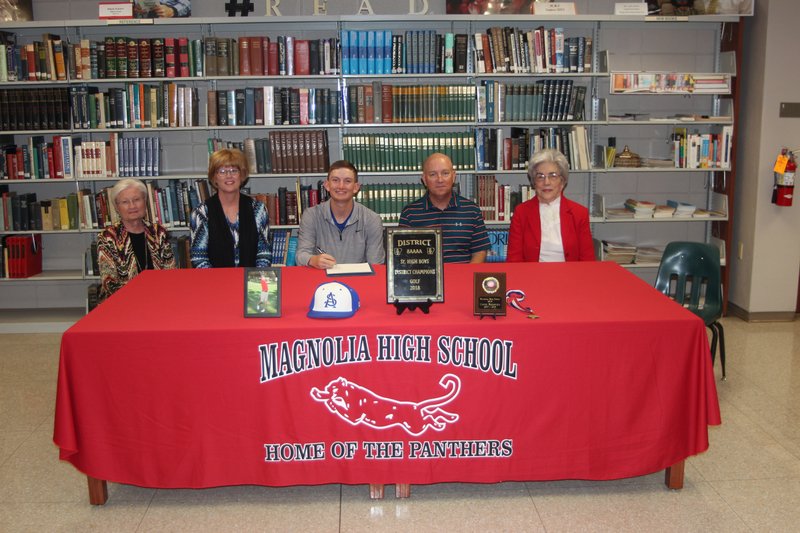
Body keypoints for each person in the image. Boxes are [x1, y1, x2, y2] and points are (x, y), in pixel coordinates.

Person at [507, 148, 595, 262]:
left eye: (553, 175)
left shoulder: (579, 213)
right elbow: (514, 259)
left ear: (562, 182)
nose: (546, 182)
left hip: (570, 277)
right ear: (534, 182)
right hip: (532, 277)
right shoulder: (521, 212)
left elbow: (587, 260)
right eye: (540, 176)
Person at [399, 153, 489, 263]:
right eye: (433, 174)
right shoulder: (410, 213)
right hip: (426, 278)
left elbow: (480, 252)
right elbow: (404, 256)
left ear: (453, 176)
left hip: (463, 277)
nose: (440, 179)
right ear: (424, 179)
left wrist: (467, 277)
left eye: (445, 173)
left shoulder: (472, 210)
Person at [295, 160, 385, 269]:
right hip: (321, 281)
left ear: (356, 187)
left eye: (347, 181)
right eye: (335, 180)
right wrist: (312, 260)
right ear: (327, 185)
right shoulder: (311, 215)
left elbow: (376, 265)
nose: (341, 186)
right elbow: (301, 255)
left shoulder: (372, 219)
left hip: (359, 281)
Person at [190, 149, 272, 268]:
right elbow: (199, 259)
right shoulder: (201, 213)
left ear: (242, 175)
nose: (229, 176)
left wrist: (254, 281)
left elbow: (264, 254)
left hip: (250, 282)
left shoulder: (258, 210)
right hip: (215, 283)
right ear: (214, 177)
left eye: (234, 170)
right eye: (222, 171)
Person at [97, 178, 176, 300]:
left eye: (137, 200)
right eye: (125, 202)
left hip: (159, 299)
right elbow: (109, 282)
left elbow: (170, 272)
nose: (132, 206)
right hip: (122, 304)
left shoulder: (158, 232)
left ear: (145, 201)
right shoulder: (108, 237)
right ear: (116, 207)